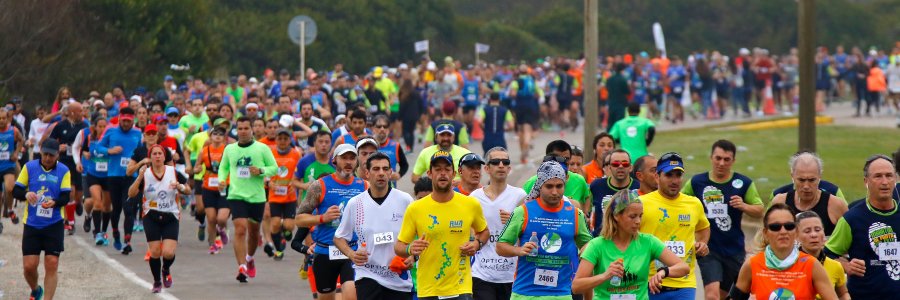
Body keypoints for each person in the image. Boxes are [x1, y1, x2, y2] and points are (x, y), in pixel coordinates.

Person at [395, 150, 490, 300]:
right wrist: (409, 249)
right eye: (438, 169)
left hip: (461, 288)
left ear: (454, 174)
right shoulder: (415, 208)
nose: (443, 173)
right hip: (429, 290)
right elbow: (399, 247)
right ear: (430, 173)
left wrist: (477, 244)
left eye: (447, 169)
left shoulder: (470, 204)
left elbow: (484, 232)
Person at [496, 160, 593, 299]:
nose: (554, 192)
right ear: (540, 186)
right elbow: (500, 247)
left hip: (561, 293)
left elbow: (589, 245)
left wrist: (585, 251)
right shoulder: (523, 212)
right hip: (525, 293)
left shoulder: (575, 214)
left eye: (559, 186)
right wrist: (519, 250)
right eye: (549, 186)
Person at [681, 140, 764, 300]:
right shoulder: (697, 182)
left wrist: (744, 206)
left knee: (726, 296)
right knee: (712, 294)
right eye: (718, 158)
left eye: (726, 159)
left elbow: (760, 210)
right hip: (708, 248)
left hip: (734, 249)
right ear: (711, 157)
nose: (721, 163)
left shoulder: (743, 183)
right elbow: (680, 202)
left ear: (733, 160)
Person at [573, 190, 690, 299]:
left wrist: (663, 272)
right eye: (632, 216)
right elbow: (576, 286)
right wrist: (605, 276)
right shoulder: (596, 245)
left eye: (640, 216)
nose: (638, 221)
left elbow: (684, 267)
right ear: (616, 216)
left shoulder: (648, 242)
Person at [334, 152, 415, 300]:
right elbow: (339, 238)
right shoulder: (355, 203)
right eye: (376, 169)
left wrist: (413, 256)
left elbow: (420, 234)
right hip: (367, 275)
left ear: (390, 172)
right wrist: (352, 254)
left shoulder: (405, 200)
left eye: (385, 169)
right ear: (367, 173)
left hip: (398, 278)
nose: (381, 173)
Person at [296, 143, 367, 300]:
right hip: (325, 252)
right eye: (344, 158)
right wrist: (323, 218)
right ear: (334, 160)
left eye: (352, 158)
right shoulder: (319, 186)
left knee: (351, 295)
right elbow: (299, 220)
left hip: (351, 251)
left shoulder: (364, 186)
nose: (348, 162)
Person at [824, 155, 900, 298]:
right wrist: (846, 266)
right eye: (878, 176)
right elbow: (826, 255)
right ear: (866, 181)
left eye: (889, 176)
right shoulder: (852, 219)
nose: (884, 182)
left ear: (895, 179)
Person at [638, 152, 711, 300]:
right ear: (657, 177)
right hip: (650, 282)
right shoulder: (641, 203)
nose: (674, 180)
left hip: (684, 284)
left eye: (678, 175)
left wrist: (702, 244)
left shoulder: (693, 204)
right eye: (669, 175)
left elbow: (703, 228)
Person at [730, 203, 838, 300]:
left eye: (789, 226)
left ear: (796, 232)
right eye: (775, 227)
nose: (783, 231)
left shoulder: (812, 265)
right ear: (765, 233)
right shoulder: (752, 264)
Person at [217, 116, 278, 282]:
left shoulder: (262, 148)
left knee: (253, 233)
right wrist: (221, 180)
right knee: (240, 229)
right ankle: (242, 267)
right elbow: (223, 167)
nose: (243, 131)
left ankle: (249, 258)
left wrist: (261, 171)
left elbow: (274, 168)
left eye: (246, 128)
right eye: (240, 128)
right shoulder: (230, 149)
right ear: (236, 130)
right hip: (236, 195)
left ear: (251, 130)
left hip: (257, 197)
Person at [127, 144, 190, 293]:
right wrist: (139, 177)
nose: (157, 156)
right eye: (154, 154)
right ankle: (156, 281)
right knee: (155, 252)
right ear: (150, 157)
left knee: (168, 253)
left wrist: (180, 187)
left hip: (171, 215)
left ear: (164, 156)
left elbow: (188, 190)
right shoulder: (145, 173)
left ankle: (166, 269)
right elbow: (131, 193)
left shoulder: (173, 172)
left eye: (160, 154)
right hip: (151, 216)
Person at [15, 140, 70, 300]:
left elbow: (65, 197)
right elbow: (16, 190)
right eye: (45, 154)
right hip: (32, 224)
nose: (47, 158)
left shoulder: (64, 170)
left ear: (57, 155)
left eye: (51, 155)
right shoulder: (29, 167)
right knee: (29, 267)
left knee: (52, 263)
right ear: (40, 151)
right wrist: (26, 194)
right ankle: (36, 289)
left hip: (54, 224)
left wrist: (55, 202)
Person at [470, 147, 526, 300]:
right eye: (495, 162)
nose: (501, 165)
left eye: (505, 162)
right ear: (487, 168)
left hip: (511, 274)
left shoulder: (520, 195)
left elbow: (528, 231)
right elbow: (469, 232)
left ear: (509, 168)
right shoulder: (474, 197)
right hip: (481, 273)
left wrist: (514, 222)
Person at [94, 107, 143, 251]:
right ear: (120, 119)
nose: (126, 123)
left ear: (133, 121)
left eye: (129, 121)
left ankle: (127, 241)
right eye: (124, 121)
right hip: (114, 175)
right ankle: (115, 232)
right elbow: (98, 147)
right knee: (116, 208)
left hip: (130, 176)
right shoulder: (111, 131)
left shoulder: (137, 133)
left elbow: (141, 151)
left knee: (128, 209)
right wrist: (109, 150)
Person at [771, 152, 848, 236]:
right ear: (792, 176)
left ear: (820, 176)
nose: (806, 186)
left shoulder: (836, 206)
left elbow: (850, 239)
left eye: (811, 180)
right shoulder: (780, 203)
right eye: (801, 180)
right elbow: (769, 238)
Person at [45, 102, 85, 234]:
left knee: (78, 194)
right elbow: (50, 142)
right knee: (70, 192)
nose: (82, 113)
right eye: (80, 111)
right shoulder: (60, 125)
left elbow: (90, 142)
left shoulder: (84, 126)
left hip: (79, 163)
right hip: (64, 162)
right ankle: (69, 222)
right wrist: (58, 146)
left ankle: (78, 204)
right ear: (72, 112)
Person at [522, 140, 591, 213]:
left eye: (566, 159)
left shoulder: (579, 181)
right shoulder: (531, 183)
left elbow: (586, 197)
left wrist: (585, 213)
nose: (562, 162)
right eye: (549, 186)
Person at [796, 211, 850, 299]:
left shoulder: (836, 266)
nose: (814, 235)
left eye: (817, 230)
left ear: (823, 233)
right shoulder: (790, 265)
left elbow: (843, 294)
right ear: (796, 236)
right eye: (807, 231)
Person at [72, 115, 110, 239]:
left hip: (107, 175)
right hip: (90, 173)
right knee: (91, 202)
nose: (102, 129)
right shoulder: (88, 136)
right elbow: (79, 148)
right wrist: (82, 158)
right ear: (95, 127)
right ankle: (89, 218)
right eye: (100, 126)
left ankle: (101, 231)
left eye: (104, 126)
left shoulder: (110, 138)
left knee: (105, 205)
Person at [266, 128, 301, 260]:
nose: (282, 141)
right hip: (274, 196)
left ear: (289, 140)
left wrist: (296, 184)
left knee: (289, 226)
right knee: (275, 224)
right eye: (280, 138)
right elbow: (264, 172)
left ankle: (285, 231)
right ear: (276, 140)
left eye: (285, 139)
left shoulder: (296, 154)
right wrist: (268, 182)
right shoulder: (270, 154)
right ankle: (279, 250)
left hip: (289, 196)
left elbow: (300, 173)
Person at [195, 126, 230, 254]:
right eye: (215, 133)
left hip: (224, 187)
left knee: (221, 219)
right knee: (211, 219)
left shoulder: (228, 150)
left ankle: (221, 230)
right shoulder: (204, 151)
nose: (218, 136)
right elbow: (196, 167)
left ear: (224, 137)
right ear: (210, 136)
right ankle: (212, 243)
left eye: (221, 134)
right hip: (208, 188)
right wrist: (197, 169)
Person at [590, 149, 639, 235]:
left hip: (629, 239)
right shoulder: (596, 186)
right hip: (601, 239)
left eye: (625, 164)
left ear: (630, 167)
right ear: (609, 167)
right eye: (616, 164)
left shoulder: (638, 187)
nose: (620, 166)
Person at [509, 64, 542, 163]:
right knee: (528, 128)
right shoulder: (532, 81)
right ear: (527, 72)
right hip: (530, 105)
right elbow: (538, 94)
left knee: (520, 129)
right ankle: (527, 143)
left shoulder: (516, 81)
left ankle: (522, 151)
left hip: (520, 106)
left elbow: (513, 94)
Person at [0, 107, 24, 232]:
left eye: (4, 118)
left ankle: (10, 210)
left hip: (8, 165)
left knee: (10, 188)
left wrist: (16, 152)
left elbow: (21, 140)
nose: (1, 121)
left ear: (8, 118)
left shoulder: (13, 130)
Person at [372, 115, 408, 185]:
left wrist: (399, 174)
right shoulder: (367, 145)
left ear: (388, 129)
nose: (382, 129)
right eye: (379, 126)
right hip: (371, 186)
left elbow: (405, 165)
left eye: (385, 126)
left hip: (390, 187)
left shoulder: (395, 146)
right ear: (373, 128)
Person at [605, 63, 631, 131]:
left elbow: (607, 88)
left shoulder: (610, 79)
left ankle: (609, 134)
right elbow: (627, 91)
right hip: (620, 104)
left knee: (611, 122)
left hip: (611, 103)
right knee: (620, 122)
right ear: (622, 70)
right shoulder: (623, 79)